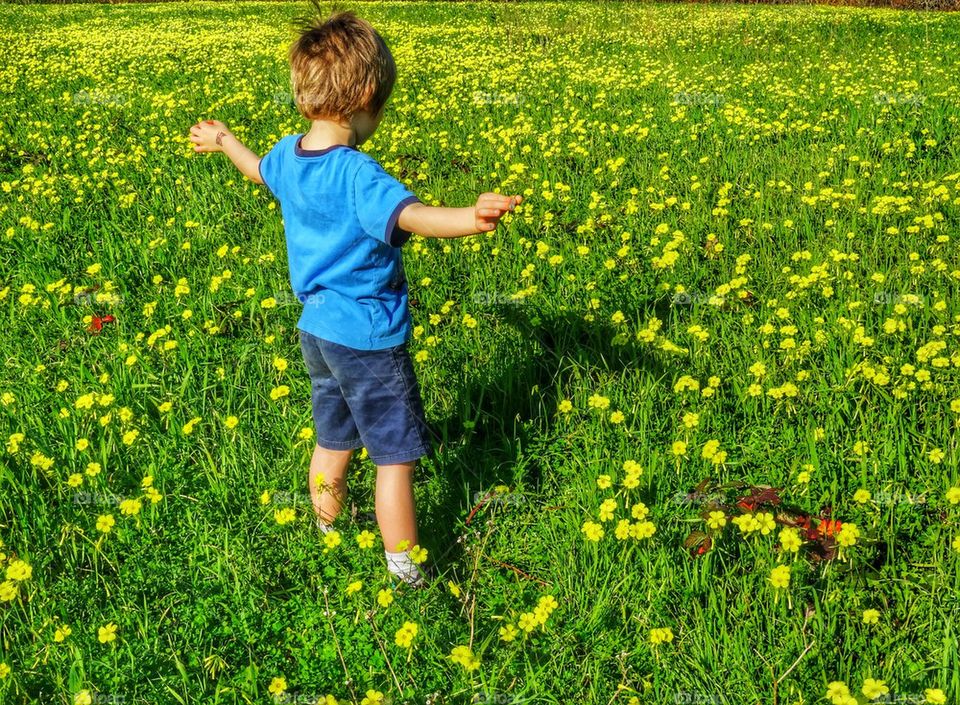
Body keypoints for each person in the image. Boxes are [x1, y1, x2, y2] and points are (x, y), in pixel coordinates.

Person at [188, 8, 522, 587]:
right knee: (395, 460)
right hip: (368, 338)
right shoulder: (357, 174)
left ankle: (327, 537)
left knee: (332, 439)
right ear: (367, 95)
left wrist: (224, 142)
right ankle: (406, 573)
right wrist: (470, 217)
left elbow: (257, 173)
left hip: (316, 331)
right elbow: (411, 216)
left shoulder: (291, 156)